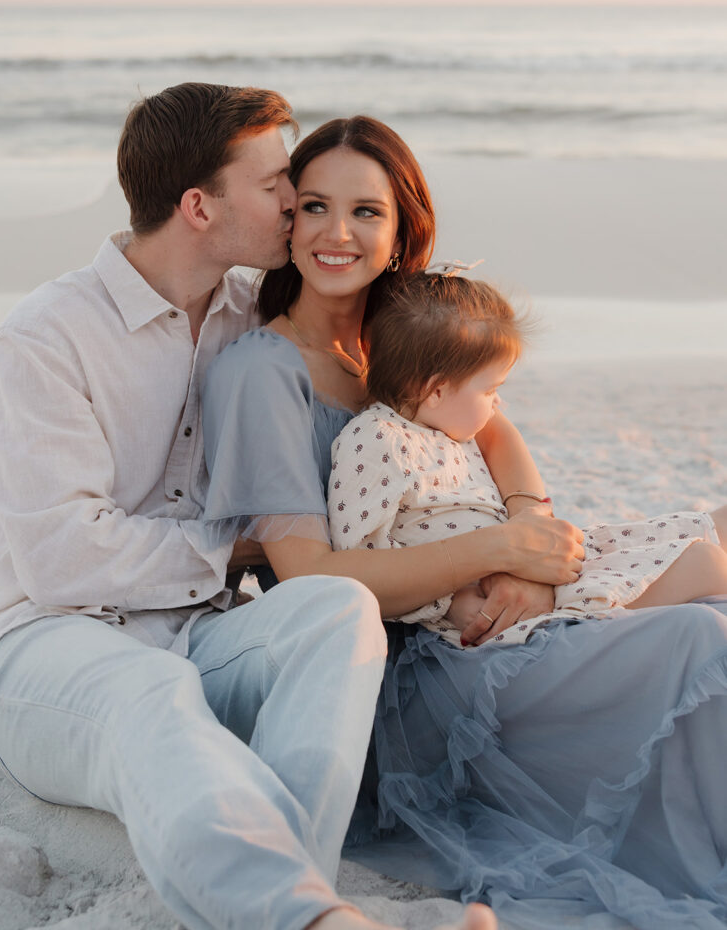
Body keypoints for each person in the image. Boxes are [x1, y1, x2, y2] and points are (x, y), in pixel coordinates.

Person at [0, 84, 496, 930]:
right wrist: (241, 548)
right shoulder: (49, 333)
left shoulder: (258, 314)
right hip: (48, 643)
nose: (294, 200)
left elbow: (427, 379)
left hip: (204, 634)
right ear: (200, 206)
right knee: (150, 697)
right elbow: (62, 559)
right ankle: (308, 920)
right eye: (276, 182)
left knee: (334, 608)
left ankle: (298, 902)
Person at [202, 114, 727, 929]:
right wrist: (498, 549)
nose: (336, 233)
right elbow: (307, 578)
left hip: (497, 599)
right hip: (414, 664)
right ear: (286, 217)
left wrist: (525, 531)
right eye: (312, 206)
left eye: (365, 212)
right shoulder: (260, 374)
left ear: (402, 225)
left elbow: (496, 428)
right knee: (700, 638)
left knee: (710, 571)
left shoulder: (401, 337)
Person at [329, 269, 727, 647]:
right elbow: (363, 562)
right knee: (705, 563)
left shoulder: (449, 428)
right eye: (490, 390)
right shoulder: (376, 440)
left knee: (709, 532)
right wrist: (449, 604)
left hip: (535, 566)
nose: (497, 402)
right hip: (511, 606)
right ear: (435, 391)